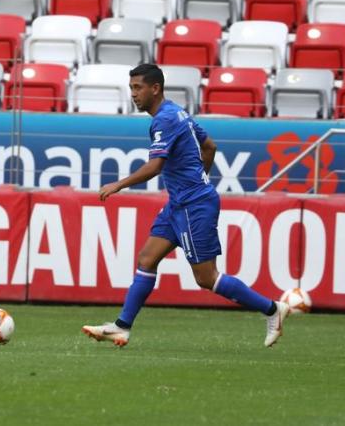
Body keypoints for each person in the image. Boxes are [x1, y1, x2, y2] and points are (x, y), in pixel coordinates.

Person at [82, 64, 290, 348]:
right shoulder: (177, 112)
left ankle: (273, 309)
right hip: (180, 202)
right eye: (131, 88)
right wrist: (198, 178)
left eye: (138, 87)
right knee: (147, 259)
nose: (133, 94)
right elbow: (210, 146)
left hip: (193, 205)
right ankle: (122, 327)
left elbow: (156, 166)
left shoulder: (165, 119)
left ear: (155, 88)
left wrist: (118, 184)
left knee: (206, 278)